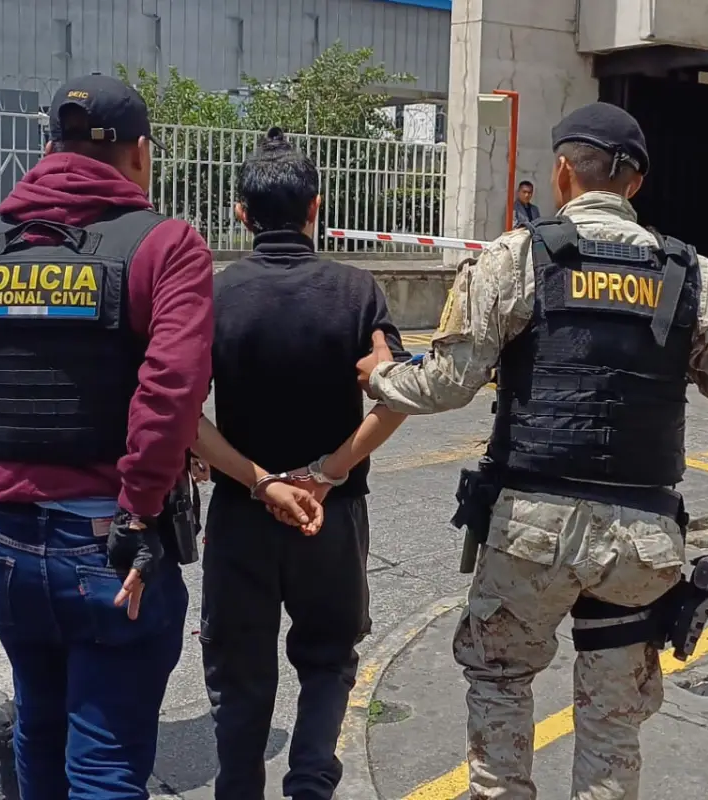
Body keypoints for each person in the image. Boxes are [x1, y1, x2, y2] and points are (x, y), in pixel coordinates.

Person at [356, 102, 708, 799]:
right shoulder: (690, 273)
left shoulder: (517, 256)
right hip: (642, 540)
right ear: (635, 185)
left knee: (499, 679)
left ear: (562, 172)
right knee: (613, 723)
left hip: (531, 529)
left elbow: (445, 384)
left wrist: (377, 374)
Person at [0, 74, 215, 800]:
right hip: (110, 539)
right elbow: (170, 392)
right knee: (105, 764)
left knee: (38, 731)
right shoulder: (166, 247)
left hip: (8, 541)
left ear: (49, 148)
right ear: (141, 153)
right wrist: (141, 510)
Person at [189, 128, 410, 800]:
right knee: (326, 662)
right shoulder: (357, 293)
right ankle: (311, 782)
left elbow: (183, 419)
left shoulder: (214, 297)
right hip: (331, 519)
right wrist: (325, 471)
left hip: (240, 515)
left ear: (240, 214)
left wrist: (260, 480)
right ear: (317, 207)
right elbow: (397, 397)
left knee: (239, 677)